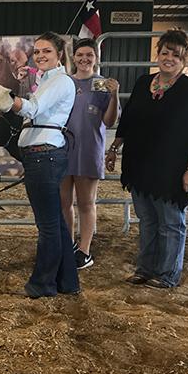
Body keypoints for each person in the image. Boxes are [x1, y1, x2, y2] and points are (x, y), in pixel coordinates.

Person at [105, 28, 188, 289]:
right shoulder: (144, 83)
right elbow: (129, 119)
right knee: (148, 220)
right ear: (158, 54)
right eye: (165, 53)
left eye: (176, 55)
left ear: (184, 60)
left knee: (171, 222)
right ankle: (145, 269)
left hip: (173, 168)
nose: (169, 58)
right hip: (140, 164)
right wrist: (114, 147)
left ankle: (167, 274)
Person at [9, 31, 80, 298]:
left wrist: (3, 99)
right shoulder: (46, 80)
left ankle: (43, 283)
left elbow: (32, 109)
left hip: (44, 156)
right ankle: (67, 281)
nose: (40, 56)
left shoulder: (60, 81)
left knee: (48, 226)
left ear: (59, 54)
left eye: (46, 51)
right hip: (42, 155)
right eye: (37, 52)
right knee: (56, 223)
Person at [60, 38, 121, 270]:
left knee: (86, 203)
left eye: (89, 55)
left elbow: (109, 121)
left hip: (88, 149)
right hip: (63, 148)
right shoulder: (65, 83)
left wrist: (114, 96)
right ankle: (68, 245)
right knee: (64, 202)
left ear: (96, 58)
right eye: (80, 55)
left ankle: (84, 250)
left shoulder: (102, 85)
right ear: (73, 57)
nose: (84, 59)